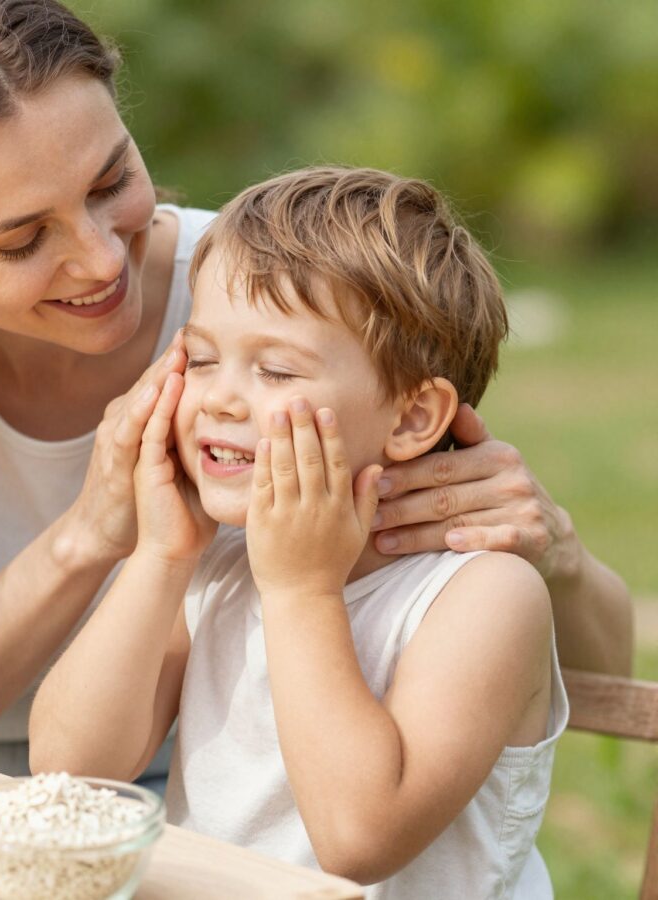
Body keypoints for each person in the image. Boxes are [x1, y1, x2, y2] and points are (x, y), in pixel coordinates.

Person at [0, 0, 632, 777]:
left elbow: (569, 666)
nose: (100, 261)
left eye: (111, 183)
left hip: (169, 758)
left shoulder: (260, 301)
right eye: (22, 242)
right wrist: (91, 536)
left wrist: (554, 556)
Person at [30, 167, 569, 895]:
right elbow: (69, 768)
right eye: (204, 358)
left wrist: (302, 590)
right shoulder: (220, 559)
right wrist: (161, 556)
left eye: (277, 371)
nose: (219, 397)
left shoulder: (484, 596)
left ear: (412, 418)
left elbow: (358, 838)